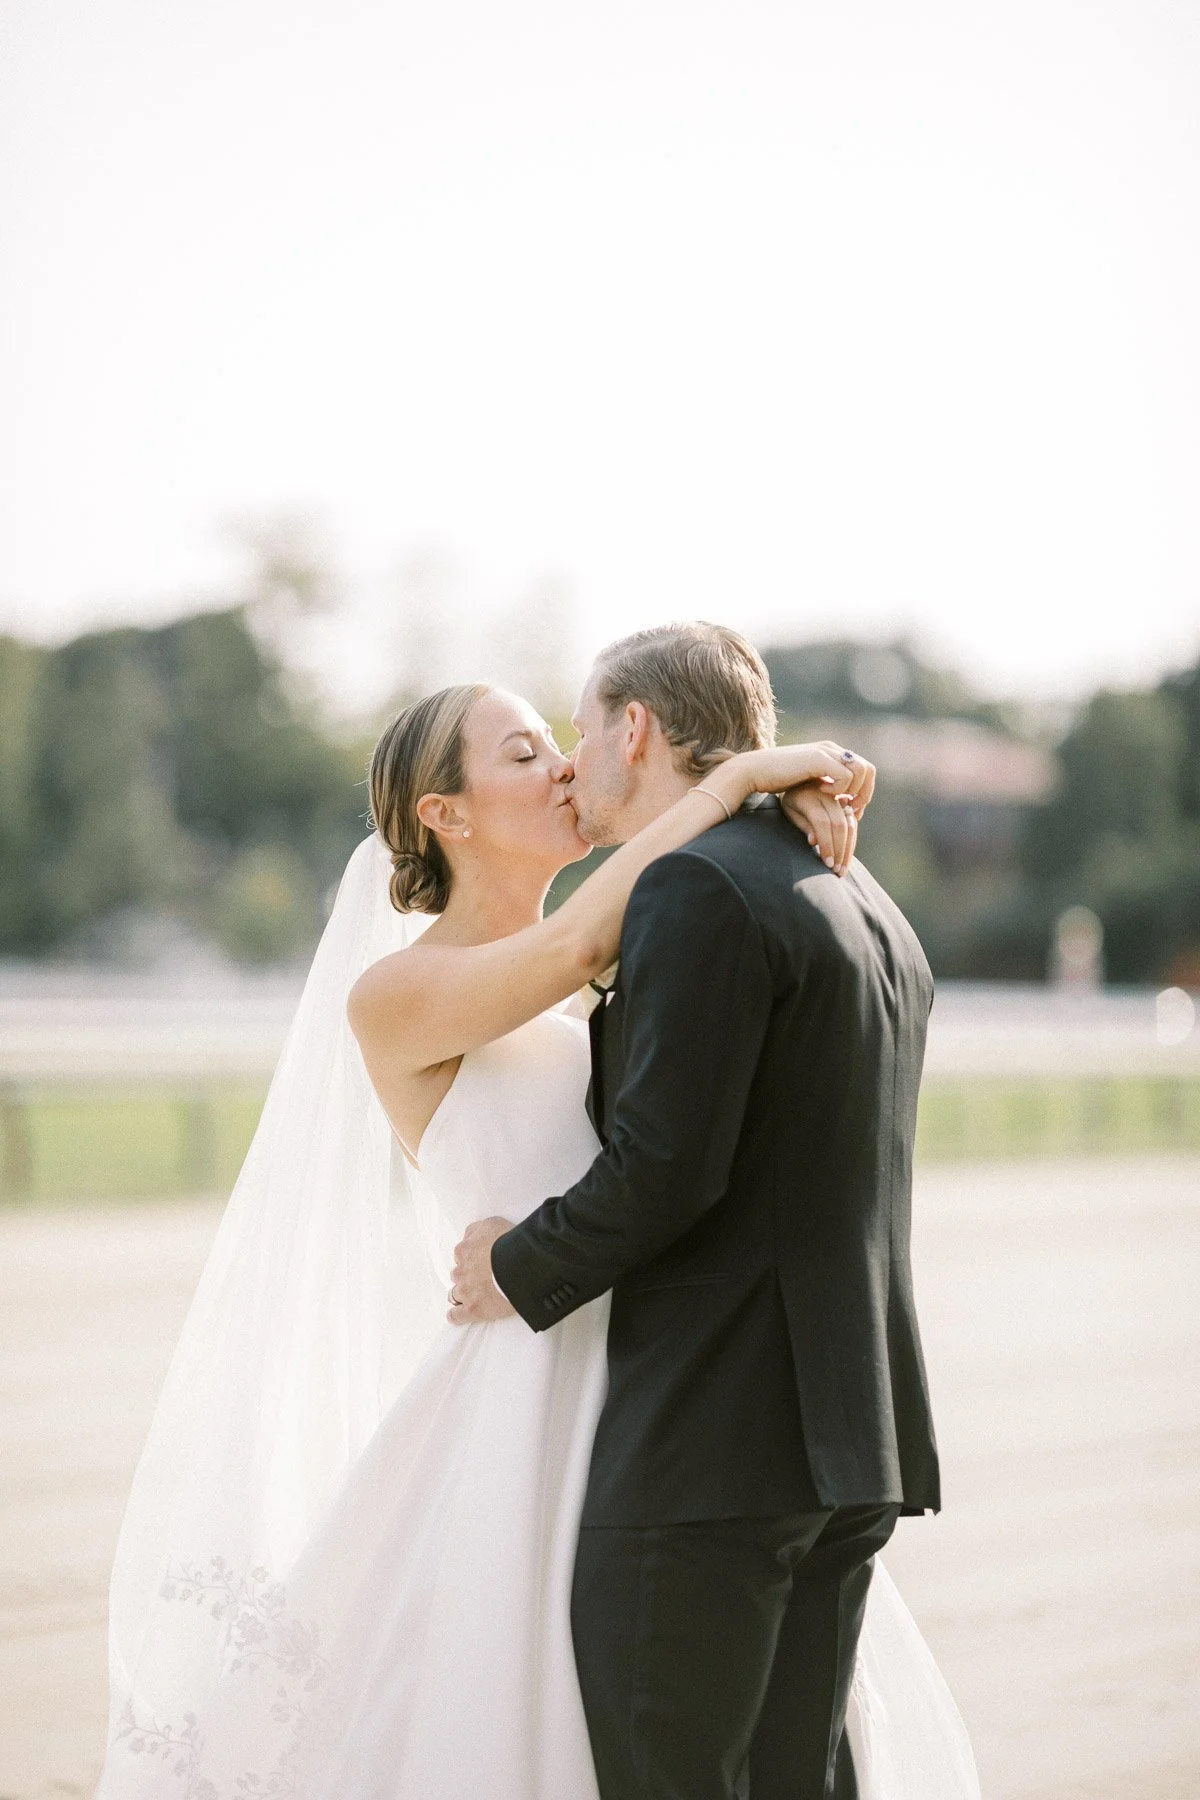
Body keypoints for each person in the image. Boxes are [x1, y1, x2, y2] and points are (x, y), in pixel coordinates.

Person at [96, 626, 978, 1800]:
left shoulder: (624, 968)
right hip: (527, 1385)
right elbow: (575, 941)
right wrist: (738, 783)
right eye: (524, 753)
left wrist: (760, 812)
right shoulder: (403, 991)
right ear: (444, 814)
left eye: (567, 742)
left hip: (665, 1388)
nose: (565, 768)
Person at [448, 624, 942, 1798]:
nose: (573, 762)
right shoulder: (864, 901)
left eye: (580, 731)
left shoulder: (697, 886)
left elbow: (667, 1168)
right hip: (851, 1435)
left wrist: (514, 1265)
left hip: (714, 1446)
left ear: (638, 729)